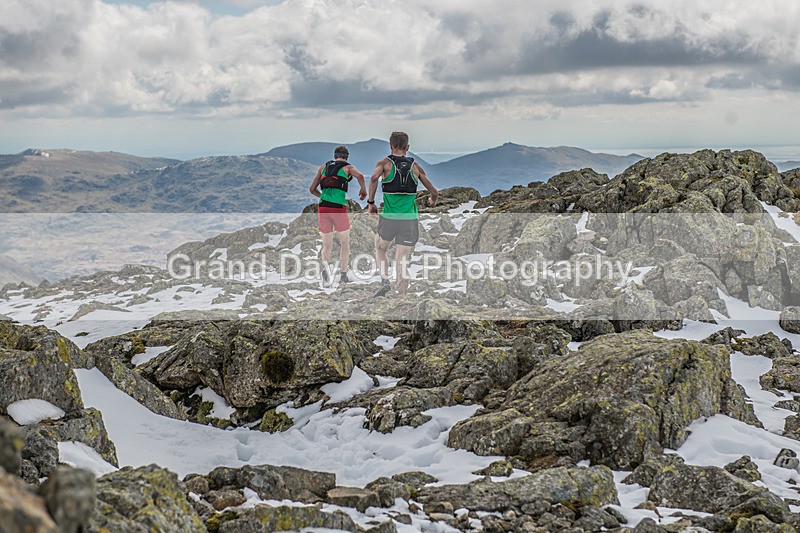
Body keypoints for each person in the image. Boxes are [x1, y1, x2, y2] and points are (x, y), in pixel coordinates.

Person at [367, 132, 439, 296]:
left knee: (380, 248)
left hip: (389, 218)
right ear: (407, 147)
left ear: (390, 146)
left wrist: (371, 203)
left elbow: (373, 179)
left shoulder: (384, 163)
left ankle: (385, 281)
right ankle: (402, 296)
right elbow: (434, 191)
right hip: (409, 219)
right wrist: (432, 201)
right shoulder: (415, 167)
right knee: (402, 258)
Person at [309, 145, 367, 285]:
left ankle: (325, 272)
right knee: (344, 243)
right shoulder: (348, 168)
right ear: (346, 157)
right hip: (338, 208)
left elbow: (312, 189)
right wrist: (363, 190)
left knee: (327, 244)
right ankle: (343, 275)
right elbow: (360, 176)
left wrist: (324, 197)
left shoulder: (323, 167)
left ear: (335, 156)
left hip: (323, 207)